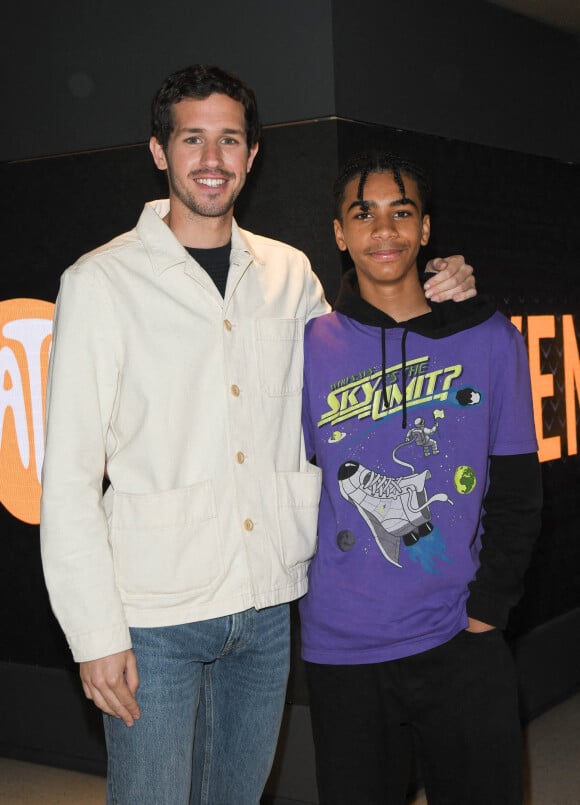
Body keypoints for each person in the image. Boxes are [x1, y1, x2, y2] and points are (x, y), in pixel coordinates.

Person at [40, 65, 476, 805]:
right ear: (159, 151)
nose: (212, 158)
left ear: (252, 154)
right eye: (193, 138)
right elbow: (71, 476)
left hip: (268, 606)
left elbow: (367, 359)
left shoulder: (290, 273)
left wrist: (449, 295)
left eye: (230, 140)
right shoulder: (99, 281)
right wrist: (94, 633)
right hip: (152, 615)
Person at [300, 151, 542, 805]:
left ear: (427, 229)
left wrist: (487, 615)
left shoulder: (490, 337)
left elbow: (518, 490)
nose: (384, 230)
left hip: (460, 640)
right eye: (364, 214)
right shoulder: (306, 347)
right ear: (339, 233)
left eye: (401, 212)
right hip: (344, 646)